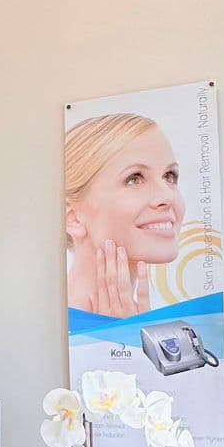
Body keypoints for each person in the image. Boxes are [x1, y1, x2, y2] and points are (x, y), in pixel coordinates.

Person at [64, 112, 183, 317]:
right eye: (134, 179)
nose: (167, 196)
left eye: (169, 176)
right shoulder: (47, 325)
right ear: (73, 218)